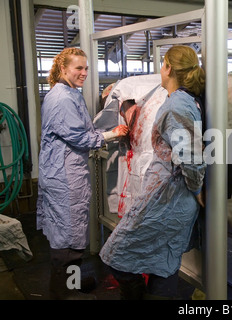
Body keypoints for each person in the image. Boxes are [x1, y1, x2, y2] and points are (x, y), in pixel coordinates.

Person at [99, 45, 206, 300]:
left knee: (117, 254)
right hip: (168, 195)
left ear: (168, 68)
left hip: (169, 199)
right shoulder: (179, 100)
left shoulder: (177, 105)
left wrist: (197, 189)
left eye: (162, 64)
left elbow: (192, 158)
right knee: (164, 263)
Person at [36, 47, 129, 300]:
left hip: (64, 172)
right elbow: (78, 135)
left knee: (70, 233)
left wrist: (105, 98)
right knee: (68, 236)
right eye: (78, 68)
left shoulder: (68, 92)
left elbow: (79, 125)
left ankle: (71, 284)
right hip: (64, 177)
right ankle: (64, 293)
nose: (84, 73)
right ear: (63, 68)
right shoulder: (63, 98)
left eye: (86, 68)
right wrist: (112, 134)